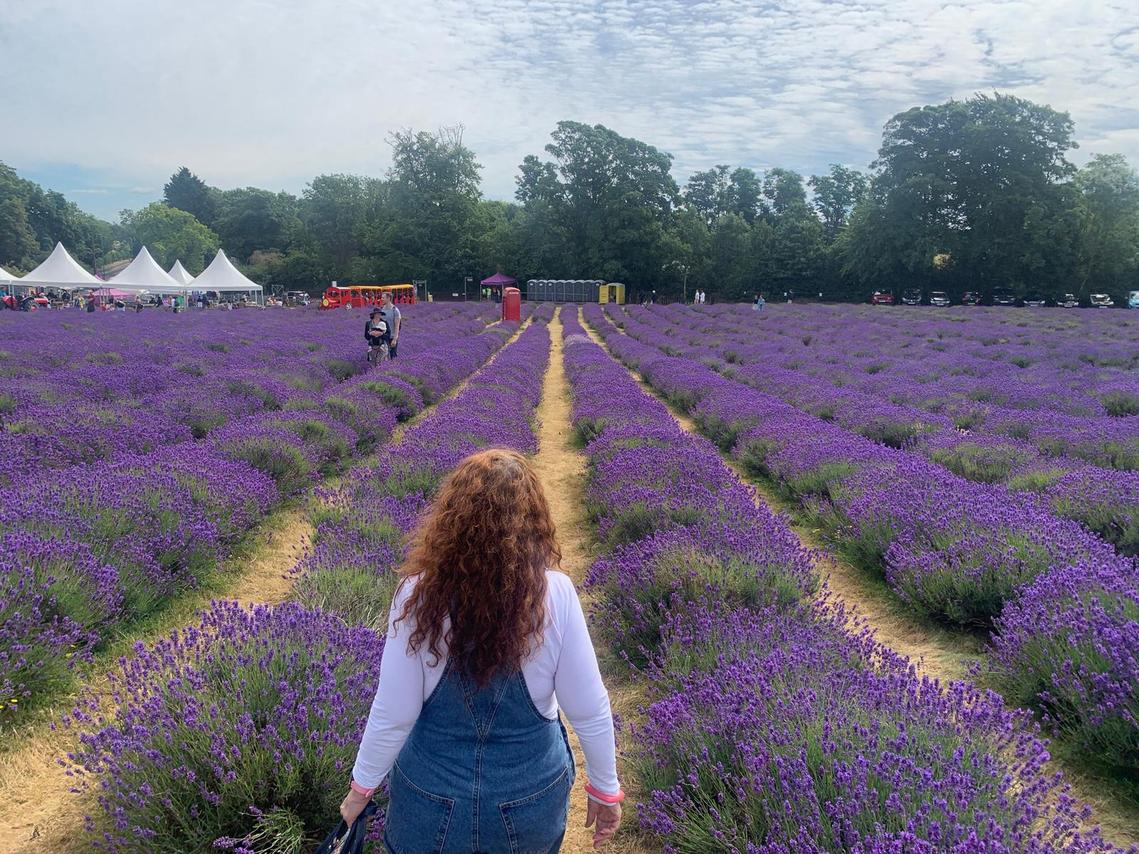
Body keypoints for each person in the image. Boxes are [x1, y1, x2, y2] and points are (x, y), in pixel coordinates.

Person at [340, 450, 623, 851]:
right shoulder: (556, 595)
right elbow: (589, 707)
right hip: (528, 800)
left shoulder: (419, 597)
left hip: (430, 799)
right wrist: (604, 789)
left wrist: (361, 789)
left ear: (451, 520)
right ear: (533, 520)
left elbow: (394, 712)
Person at [378, 290, 401, 360]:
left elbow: (397, 326)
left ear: (388, 298)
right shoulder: (381, 310)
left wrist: (394, 339)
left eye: (383, 298)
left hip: (392, 337)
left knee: (392, 357)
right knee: (383, 357)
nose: (382, 299)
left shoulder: (395, 310)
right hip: (383, 337)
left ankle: (393, 370)